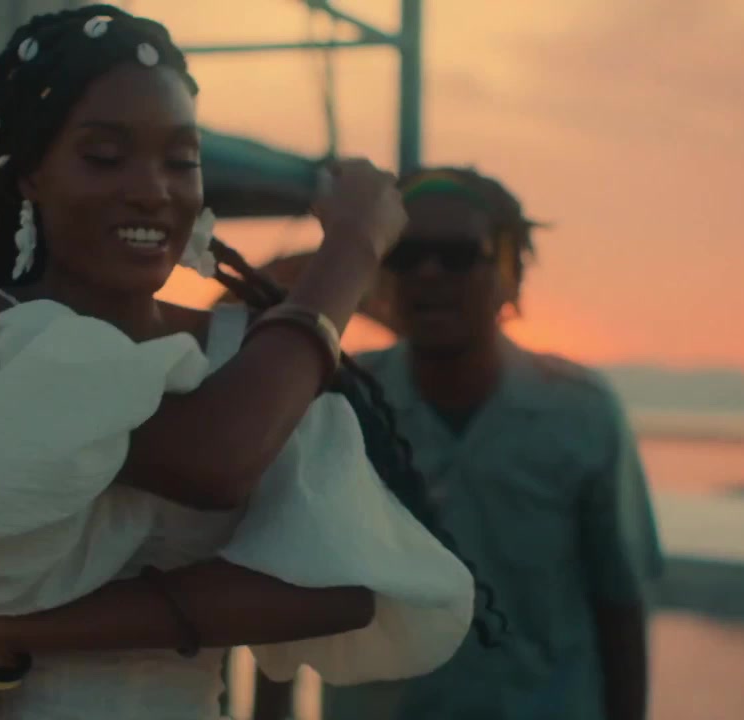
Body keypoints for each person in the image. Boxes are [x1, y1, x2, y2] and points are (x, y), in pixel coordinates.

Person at [0, 8, 505, 720]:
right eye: (104, 156)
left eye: (181, 160)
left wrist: (11, 636)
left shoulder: (247, 351)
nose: (153, 189)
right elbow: (211, 461)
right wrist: (350, 252)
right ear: (29, 173)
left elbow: (342, 585)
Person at [257, 167, 664, 720]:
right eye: (405, 254)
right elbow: (285, 593)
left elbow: (621, 605)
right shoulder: (336, 403)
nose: (428, 272)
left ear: (510, 275)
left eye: (458, 255)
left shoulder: (582, 416)